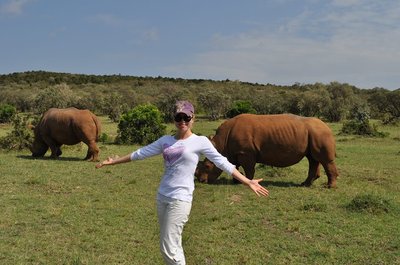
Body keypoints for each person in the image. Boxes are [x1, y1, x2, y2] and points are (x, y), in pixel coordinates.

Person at [95, 100, 269, 265]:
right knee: (173, 242)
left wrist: (247, 181)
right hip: (162, 197)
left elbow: (222, 162)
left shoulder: (200, 141)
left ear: (193, 118)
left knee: (168, 247)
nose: (182, 121)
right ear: (174, 119)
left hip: (180, 199)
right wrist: (114, 161)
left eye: (186, 117)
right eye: (179, 117)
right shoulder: (166, 141)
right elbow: (141, 153)